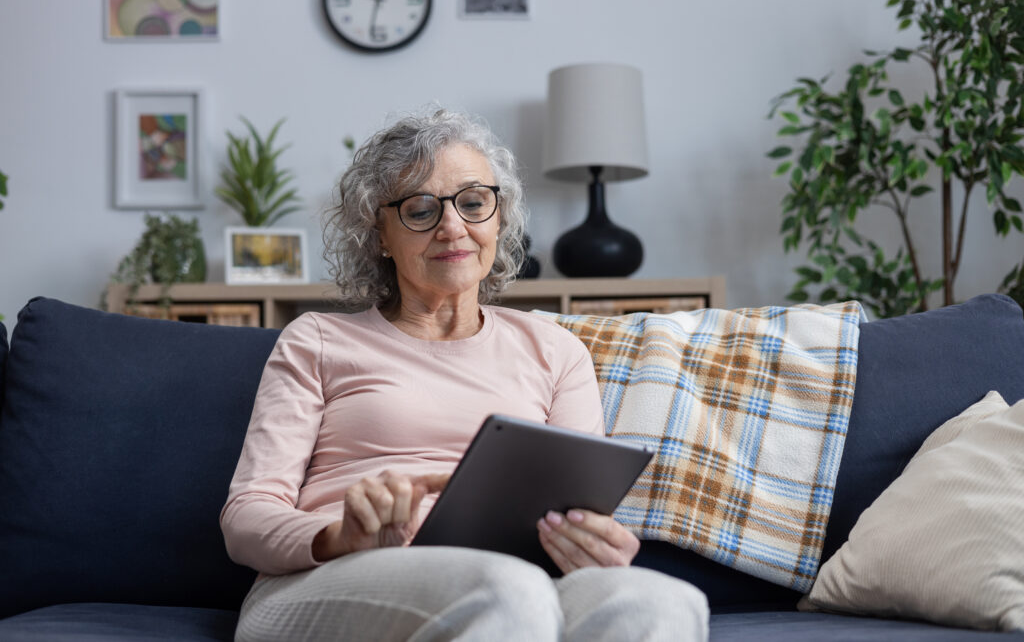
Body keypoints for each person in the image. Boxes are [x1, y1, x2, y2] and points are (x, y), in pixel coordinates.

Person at [220, 108, 709, 641]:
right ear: (379, 234)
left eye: (474, 203)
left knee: (663, 602)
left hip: (521, 577)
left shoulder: (555, 350)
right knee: (505, 589)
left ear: (499, 217)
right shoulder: (317, 339)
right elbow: (247, 515)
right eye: (420, 209)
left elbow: (579, 505)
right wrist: (340, 535)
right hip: (327, 576)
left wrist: (598, 542)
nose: (453, 227)